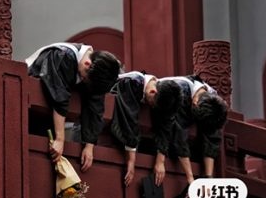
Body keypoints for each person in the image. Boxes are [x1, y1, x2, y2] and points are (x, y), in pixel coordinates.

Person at [25, 43, 121, 171]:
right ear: (87, 64)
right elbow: (59, 97)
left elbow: (95, 108)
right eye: (86, 79)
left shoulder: (93, 71)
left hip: (53, 121)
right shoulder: (63, 55)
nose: (85, 81)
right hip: (31, 116)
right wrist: (60, 139)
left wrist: (89, 146)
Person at [153, 75, 229, 196]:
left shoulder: (212, 99)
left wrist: (208, 178)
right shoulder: (180, 91)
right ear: (194, 103)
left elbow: (212, 139)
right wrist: (190, 179)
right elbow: (179, 137)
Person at [109, 71, 184, 186]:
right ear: (152, 91)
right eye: (154, 104)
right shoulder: (132, 81)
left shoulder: (165, 95)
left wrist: (160, 161)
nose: (153, 107)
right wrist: (131, 161)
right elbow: (129, 120)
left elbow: (166, 126)